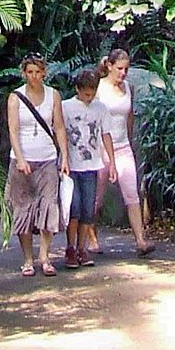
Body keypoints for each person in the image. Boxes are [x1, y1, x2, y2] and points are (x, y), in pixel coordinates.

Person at [6, 52, 69, 277]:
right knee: (24, 208)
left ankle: (45, 255)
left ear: (44, 73)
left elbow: (58, 126)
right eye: (30, 72)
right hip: (22, 159)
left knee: (49, 204)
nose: (34, 76)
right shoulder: (15, 97)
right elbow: (13, 130)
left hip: (47, 158)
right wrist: (20, 158)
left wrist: (64, 156)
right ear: (24, 73)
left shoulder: (53, 95)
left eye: (38, 72)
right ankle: (27, 259)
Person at [97, 47, 153, 255]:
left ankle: (140, 240)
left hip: (122, 147)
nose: (123, 73)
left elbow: (129, 117)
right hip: (100, 148)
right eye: (119, 68)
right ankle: (90, 237)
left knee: (132, 194)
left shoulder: (129, 88)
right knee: (96, 198)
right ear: (109, 66)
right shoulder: (98, 88)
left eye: (126, 69)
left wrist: (130, 141)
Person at [61, 67, 109, 269]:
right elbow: (59, 132)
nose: (89, 97)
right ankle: (70, 247)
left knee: (88, 210)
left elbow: (105, 133)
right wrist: (62, 158)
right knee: (74, 208)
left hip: (91, 165)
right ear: (77, 89)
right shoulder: (66, 107)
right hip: (72, 166)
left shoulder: (100, 108)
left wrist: (111, 161)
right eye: (86, 94)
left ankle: (82, 247)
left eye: (92, 93)